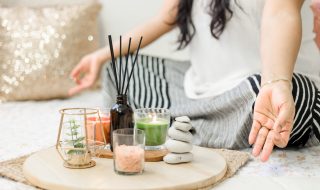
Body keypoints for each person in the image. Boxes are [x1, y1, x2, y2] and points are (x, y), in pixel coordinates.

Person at [69, 0, 320, 162]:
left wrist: (276, 82)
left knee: (292, 98)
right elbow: (164, 19)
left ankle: (185, 126)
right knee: (120, 68)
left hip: (263, 90)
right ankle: (203, 126)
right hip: (199, 89)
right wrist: (100, 56)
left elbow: (280, 13)